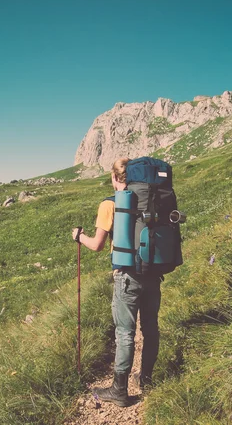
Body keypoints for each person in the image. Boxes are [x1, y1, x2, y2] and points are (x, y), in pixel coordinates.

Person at [72, 157, 162, 407]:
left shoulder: (110, 204)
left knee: (125, 332)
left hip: (127, 275)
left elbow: (97, 245)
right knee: (150, 328)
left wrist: (79, 237)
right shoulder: (151, 199)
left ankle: (119, 390)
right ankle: (147, 380)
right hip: (153, 273)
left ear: (114, 178)